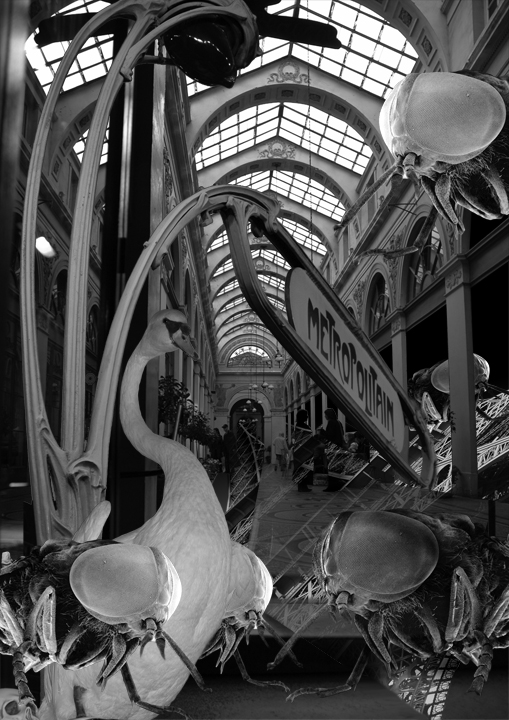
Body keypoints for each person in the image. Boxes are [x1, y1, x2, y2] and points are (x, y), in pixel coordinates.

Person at [318, 408, 347, 492]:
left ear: (328, 415)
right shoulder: (338, 422)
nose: (325, 416)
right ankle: (337, 484)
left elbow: (330, 436)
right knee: (336, 467)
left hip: (333, 448)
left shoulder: (331, 422)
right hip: (339, 447)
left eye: (325, 415)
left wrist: (322, 431)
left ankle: (331, 486)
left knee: (330, 467)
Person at [292, 409, 314, 492]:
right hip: (304, 450)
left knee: (300, 468)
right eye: (306, 415)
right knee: (304, 468)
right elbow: (307, 439)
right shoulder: (305, 427)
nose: (307, 416)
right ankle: (303, 486)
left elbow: (295, 438)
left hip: (298, 450)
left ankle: (301, 486)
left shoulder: (297, 426)